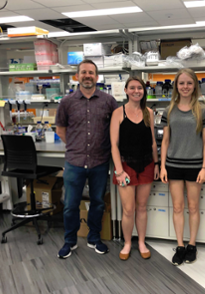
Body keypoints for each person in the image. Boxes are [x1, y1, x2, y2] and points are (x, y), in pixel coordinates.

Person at [56, 59, 118, 259]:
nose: (87, 76)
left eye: (91, 73)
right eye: (83, 72)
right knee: (70, 204)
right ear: (77, 76)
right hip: (74, 162)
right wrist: (75, 146)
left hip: (100, 162)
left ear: (97, 77)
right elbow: (61, 129)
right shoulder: (67, 102)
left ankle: (94, 238)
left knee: (98, 202)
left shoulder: (109, 101)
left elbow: (117, 128)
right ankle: (70, 241)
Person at [160, 68, 205, 266]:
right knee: (177, 207)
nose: (185, 87)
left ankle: (192, 245)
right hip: (173, 165)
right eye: (181, 83)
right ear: (176, 86)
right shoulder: (169, 110)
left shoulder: (203, 110)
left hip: (195, 166)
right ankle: (180, 245)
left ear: (195, 86)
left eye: (189, 83)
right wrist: (163, 166)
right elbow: (165, 141)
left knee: (193, 207)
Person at [110, 76, 159, 261]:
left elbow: (153, 142)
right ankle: (128, 243)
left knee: (142, 207)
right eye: (132, 88)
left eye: (139, 87)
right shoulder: (118, 113)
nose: (136, 91)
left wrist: (156, 164)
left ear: (143, 90)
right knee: (128, 209)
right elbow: (114, 144)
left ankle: (141, 242)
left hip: (146, 164)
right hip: (125, 166)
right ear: (126, 90)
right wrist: (119, 171)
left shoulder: (149, 113)